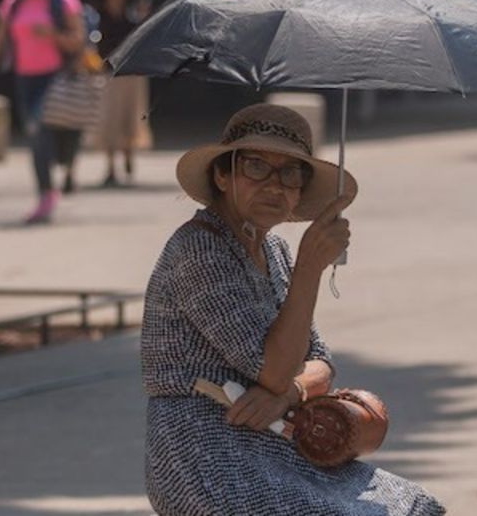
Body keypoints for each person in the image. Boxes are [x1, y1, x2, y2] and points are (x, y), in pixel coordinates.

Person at [141, 104, 445, 515]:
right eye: (256, 167)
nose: (274, 185)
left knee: (414, 506)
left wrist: (290, 392)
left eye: (290, 173)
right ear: (222, 174)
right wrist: (310, 270)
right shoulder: (200, 248)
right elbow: (272, 367)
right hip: (204, 450)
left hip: (273, 440)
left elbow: (320, 362)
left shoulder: (274, 250)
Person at [0, 0, 85, 223]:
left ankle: (62, 171)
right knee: (36, 134)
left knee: (42, 128)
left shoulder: (64, 0)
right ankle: (46, 193)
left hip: (55, 78)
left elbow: (78, 40)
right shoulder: (12, 2)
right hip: (24, 80)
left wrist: (53, 33)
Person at [93, 0, 152, 187]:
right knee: (109, 120)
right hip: (108, 75)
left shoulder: (133, 15)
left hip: (131, 74)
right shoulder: (97, 15)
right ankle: (110, 167)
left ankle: (128, 156)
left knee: (129, 118)